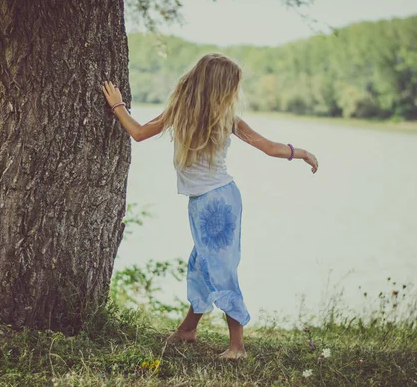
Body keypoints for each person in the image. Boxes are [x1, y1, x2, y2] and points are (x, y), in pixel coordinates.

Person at [102, 53, 318, 359]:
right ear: (223, 88)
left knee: (221, 269)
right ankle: (188, 329)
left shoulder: (212, 117)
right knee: (202, 266)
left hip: (217, 202)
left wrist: (118, 106)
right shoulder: (193, 114)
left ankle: (237, 347)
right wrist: (116, 105)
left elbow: (137, 132)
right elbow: (138, 134)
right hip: (209, 202)